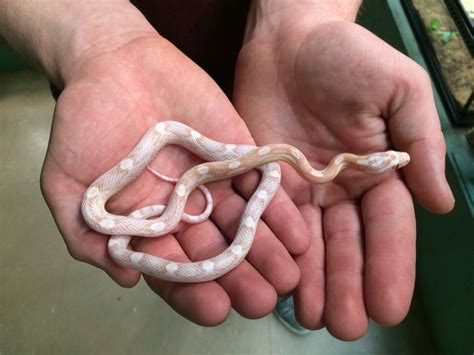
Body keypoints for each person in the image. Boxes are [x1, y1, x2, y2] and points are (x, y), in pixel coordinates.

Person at [0, 0, 454, 340]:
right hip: (134, 75)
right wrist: (94, 39)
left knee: (270, 241)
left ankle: (269, 272)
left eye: (389, 161)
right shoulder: (287, 160)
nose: (392, 159)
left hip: (254, 67)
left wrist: (303, 20)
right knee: (238, 233)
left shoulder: (285, 160)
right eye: (391, 159)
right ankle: (228, 251)